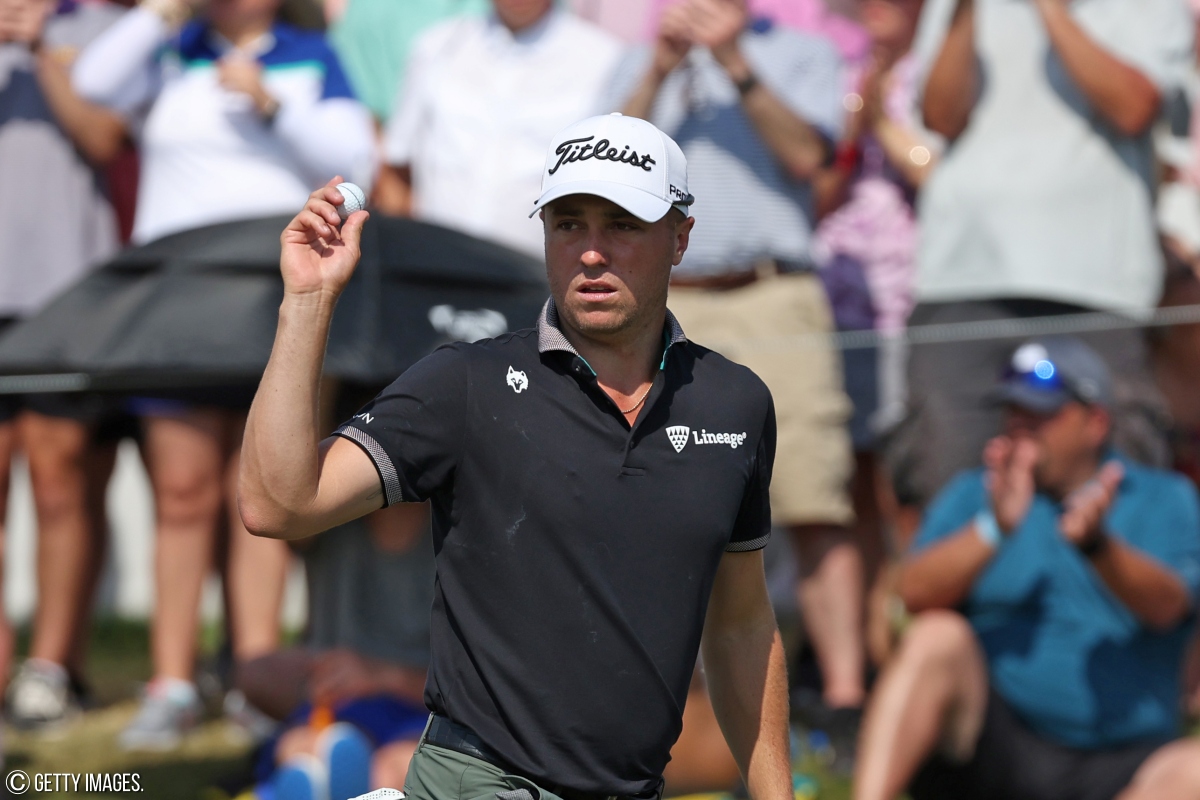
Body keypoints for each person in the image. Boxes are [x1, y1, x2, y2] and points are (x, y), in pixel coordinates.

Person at [239, 112, 792, 800]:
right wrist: (308, 301)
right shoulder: (464, 383)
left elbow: (740, 623)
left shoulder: (734, 404)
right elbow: (278, 503)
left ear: (680, 237)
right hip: (478, 781)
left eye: (622, 225)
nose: (592, 251)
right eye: (568, 224)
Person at [72, 0, 376, 750]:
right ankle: (172, 684)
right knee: (180, 494)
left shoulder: (312, 54)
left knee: (266, 496)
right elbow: (92, 80)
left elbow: (359, 164)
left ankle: (256, 683)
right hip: (174, 302)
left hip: (272, 301)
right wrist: (160, 12)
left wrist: (271, 104)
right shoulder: (172, 49)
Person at [608, 0, 866, 743]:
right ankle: (669, 699)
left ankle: (845, 702)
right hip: (666, 301)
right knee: (654, 499)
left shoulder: (801, 52)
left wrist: (734, 64)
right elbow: (601, 166)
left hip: (770, 295)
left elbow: (810, 160)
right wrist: (660, 67)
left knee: (812, 496)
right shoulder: (640, 54)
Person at [854, 337, 1200, 800]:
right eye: (1013, 414)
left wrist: (1099, 547)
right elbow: (911, 595)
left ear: (1095, 423)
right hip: (1000, 744)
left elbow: (1169, 606)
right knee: (936, 638)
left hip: (1125, 759)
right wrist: (992, 530)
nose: (1022, 430)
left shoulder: (1163, 496)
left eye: (1042, 416)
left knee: (1193, 771)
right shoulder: (977, 493)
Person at [887, 0, 1193, 512]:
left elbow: (1133, 107)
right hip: (963, 275)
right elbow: (941, 115)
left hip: (1099, 282)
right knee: (946, 481)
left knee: (1116, 491)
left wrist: (1049, 10)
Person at [0, 0, 129, 730]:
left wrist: (42, 43)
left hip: (69, 292)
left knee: (59, 484)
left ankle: (49, 672)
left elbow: (104, 137)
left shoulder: (101, 28)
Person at [374, 0, 622, 258]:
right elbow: (396, 171)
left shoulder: (605, 58)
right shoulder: (436, 46)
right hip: (435, 268)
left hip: (541, 277)